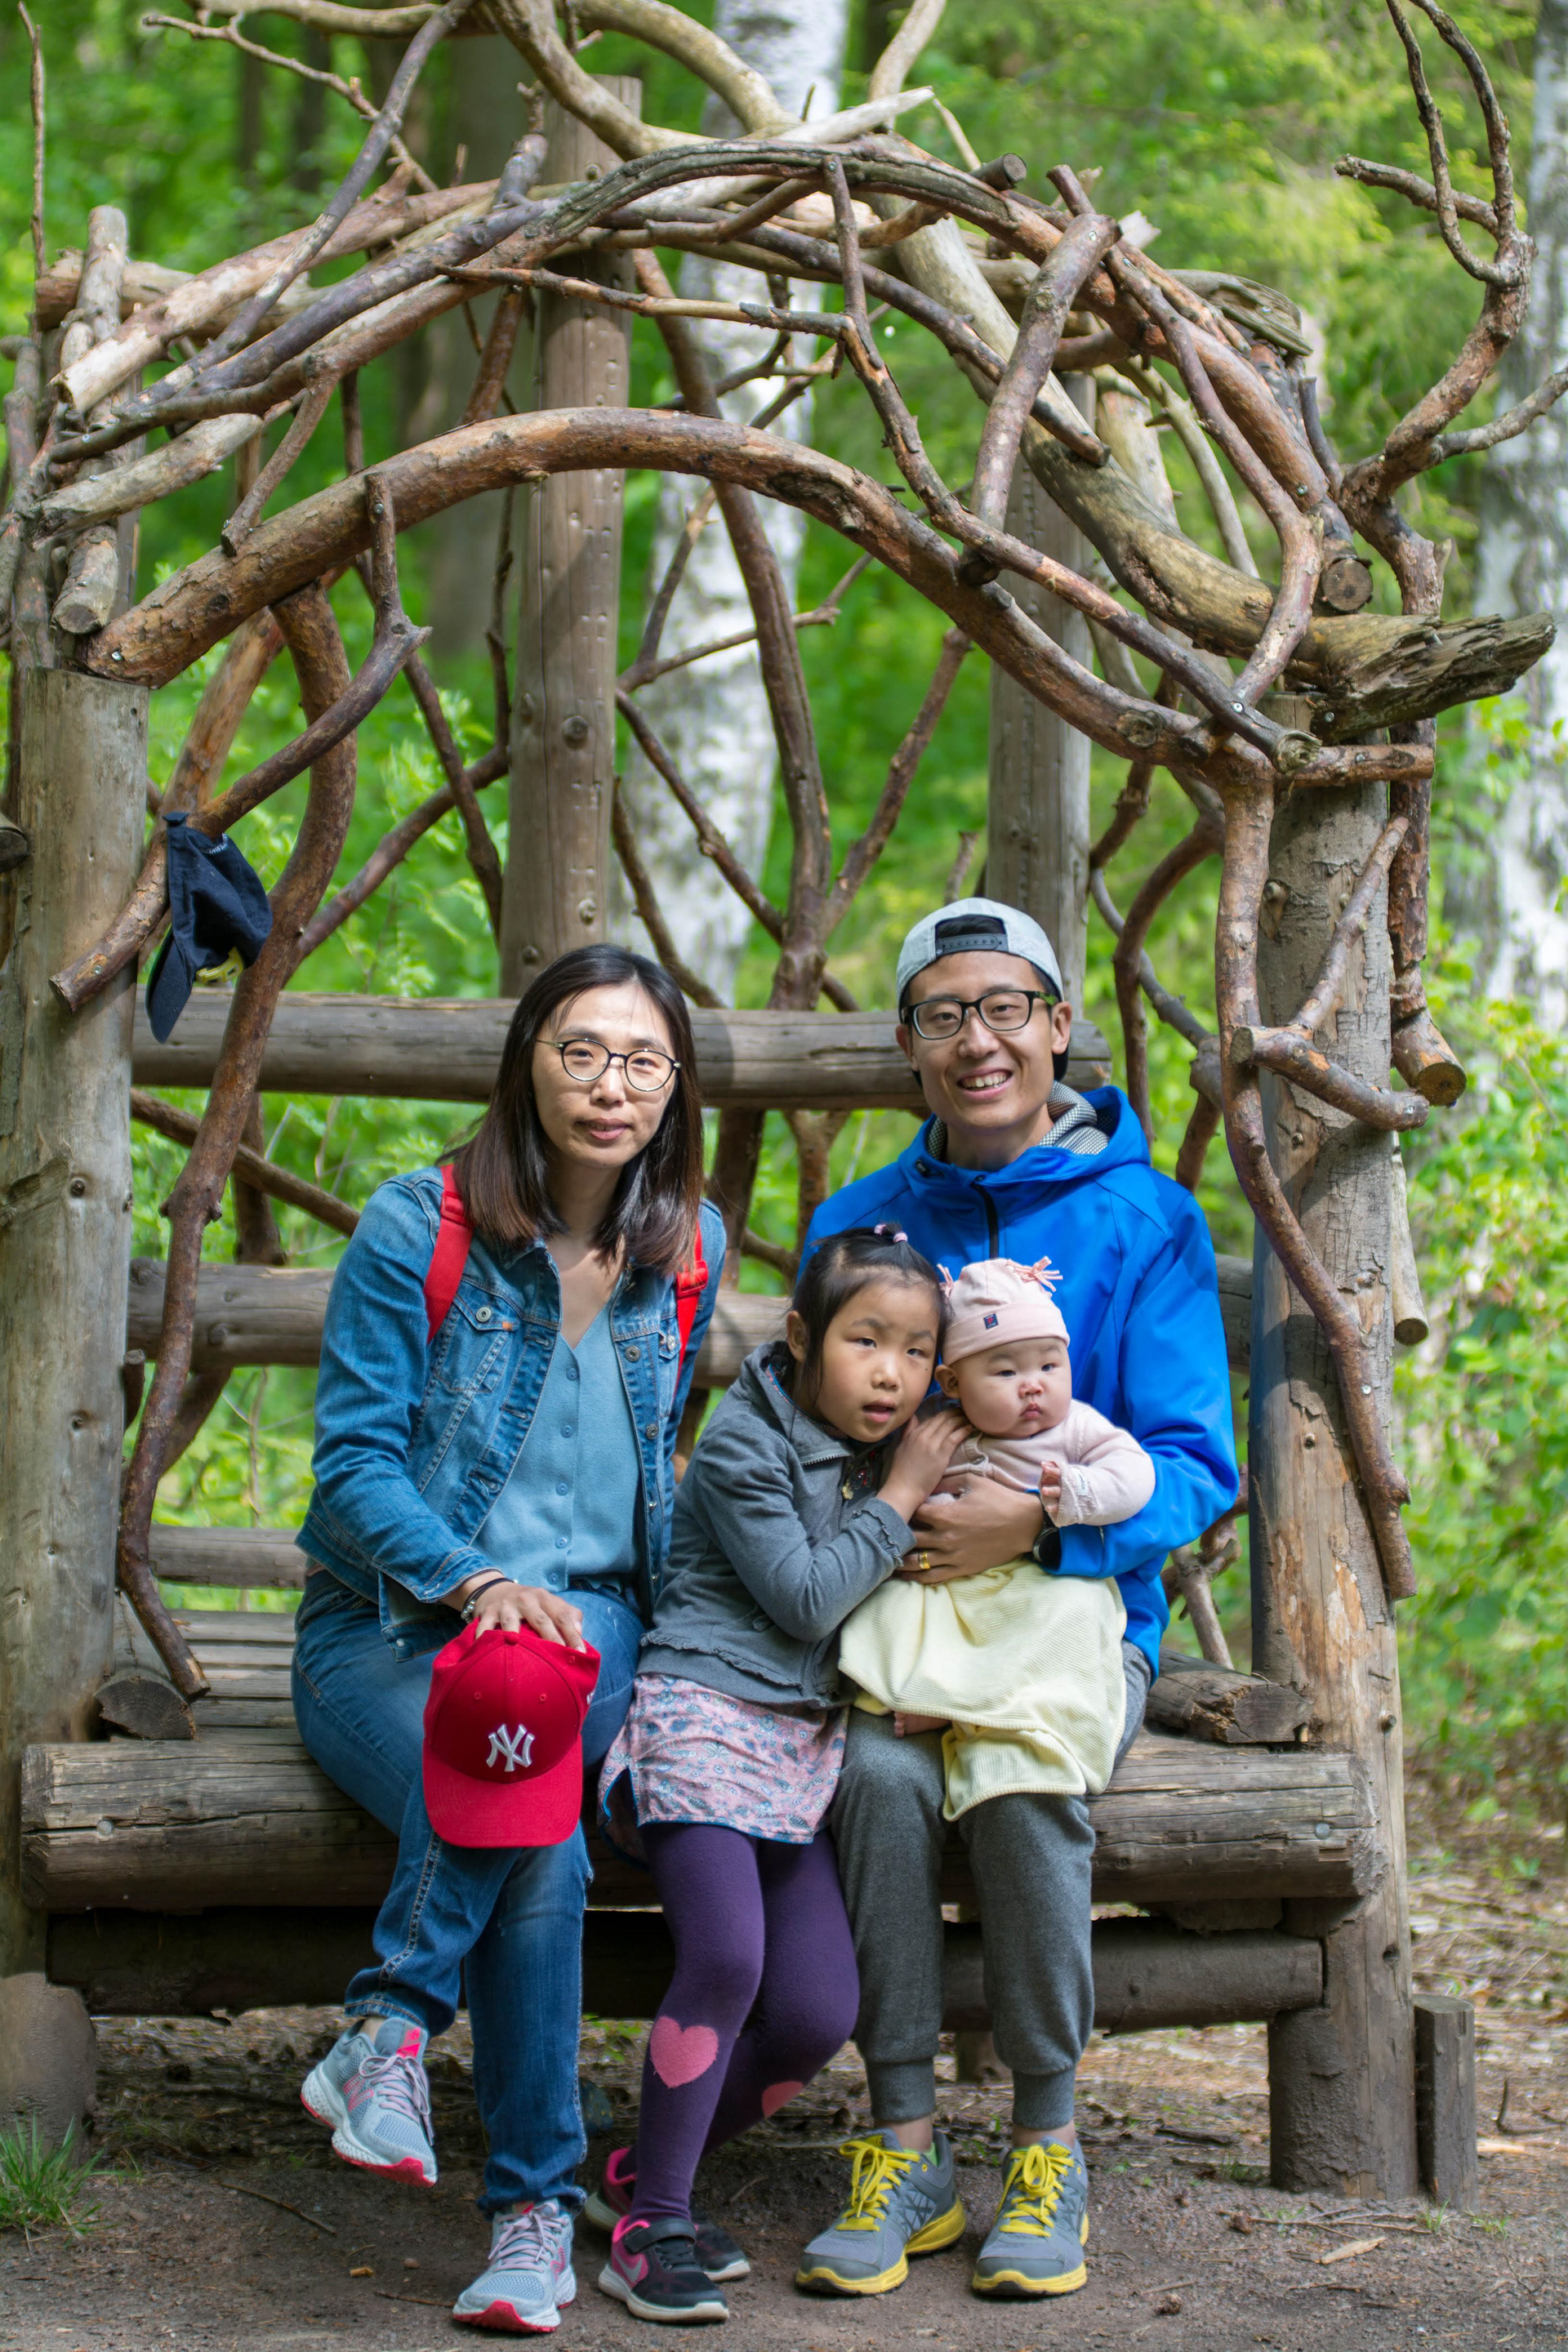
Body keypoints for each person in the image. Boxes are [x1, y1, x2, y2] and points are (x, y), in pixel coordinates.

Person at [795, 898, 1236, 2303]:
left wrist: (1041, 1529)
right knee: (870, 1774)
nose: (978, 1040)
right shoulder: (859, 1223)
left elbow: (1192, 1465)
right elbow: (809, 1441)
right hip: (905, 1618)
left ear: (1056, 1027)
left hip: (1075, 1618)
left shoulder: (1146, 1219)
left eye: (1006, 1009)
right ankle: (906, 2145)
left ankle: (1048, 2142)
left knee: (1028, 1783)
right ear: (909, 1044)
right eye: (944, 1013)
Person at [290, 943, 724, 2336]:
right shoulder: (419, 1228)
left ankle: (390, 2031)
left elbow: (658, 1472)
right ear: (527, 1058)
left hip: (592, 1638)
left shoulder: (686, 1253)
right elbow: (353, 1475)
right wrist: (475, 1579)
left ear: (677, 1088)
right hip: (391, 1631)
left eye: (644, 1060)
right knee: (529, 1814)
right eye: (583, 1050)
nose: (612, 1085)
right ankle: (530, 2211)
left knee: (531, 1735)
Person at [590, 1228, 968, 2325]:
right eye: (865, 1341)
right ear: (803, 1334)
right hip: (703, 1716)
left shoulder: (876, 1443)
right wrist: (901, 1494)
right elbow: (807, 1597)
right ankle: (653, 2223)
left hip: (799, 1746)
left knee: (813, 2011)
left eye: (915, 1351)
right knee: (725, 1958)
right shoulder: (747, 1447)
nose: (892, 1373)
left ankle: (626, 2177)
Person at [839, 1254, 1155, 1811]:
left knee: (1066, 1617)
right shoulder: (933, 1426)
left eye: (1049, 1367)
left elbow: (1137, 1474)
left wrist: (1074, 1497)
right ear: (952, 1382)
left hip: (1031, 1581)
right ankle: (919, 1693)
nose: (1032, 1387)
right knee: (888, 1611)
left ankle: (959, 1707)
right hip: (946, 1588)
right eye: (1006, 1373)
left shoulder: (1076, 1428)